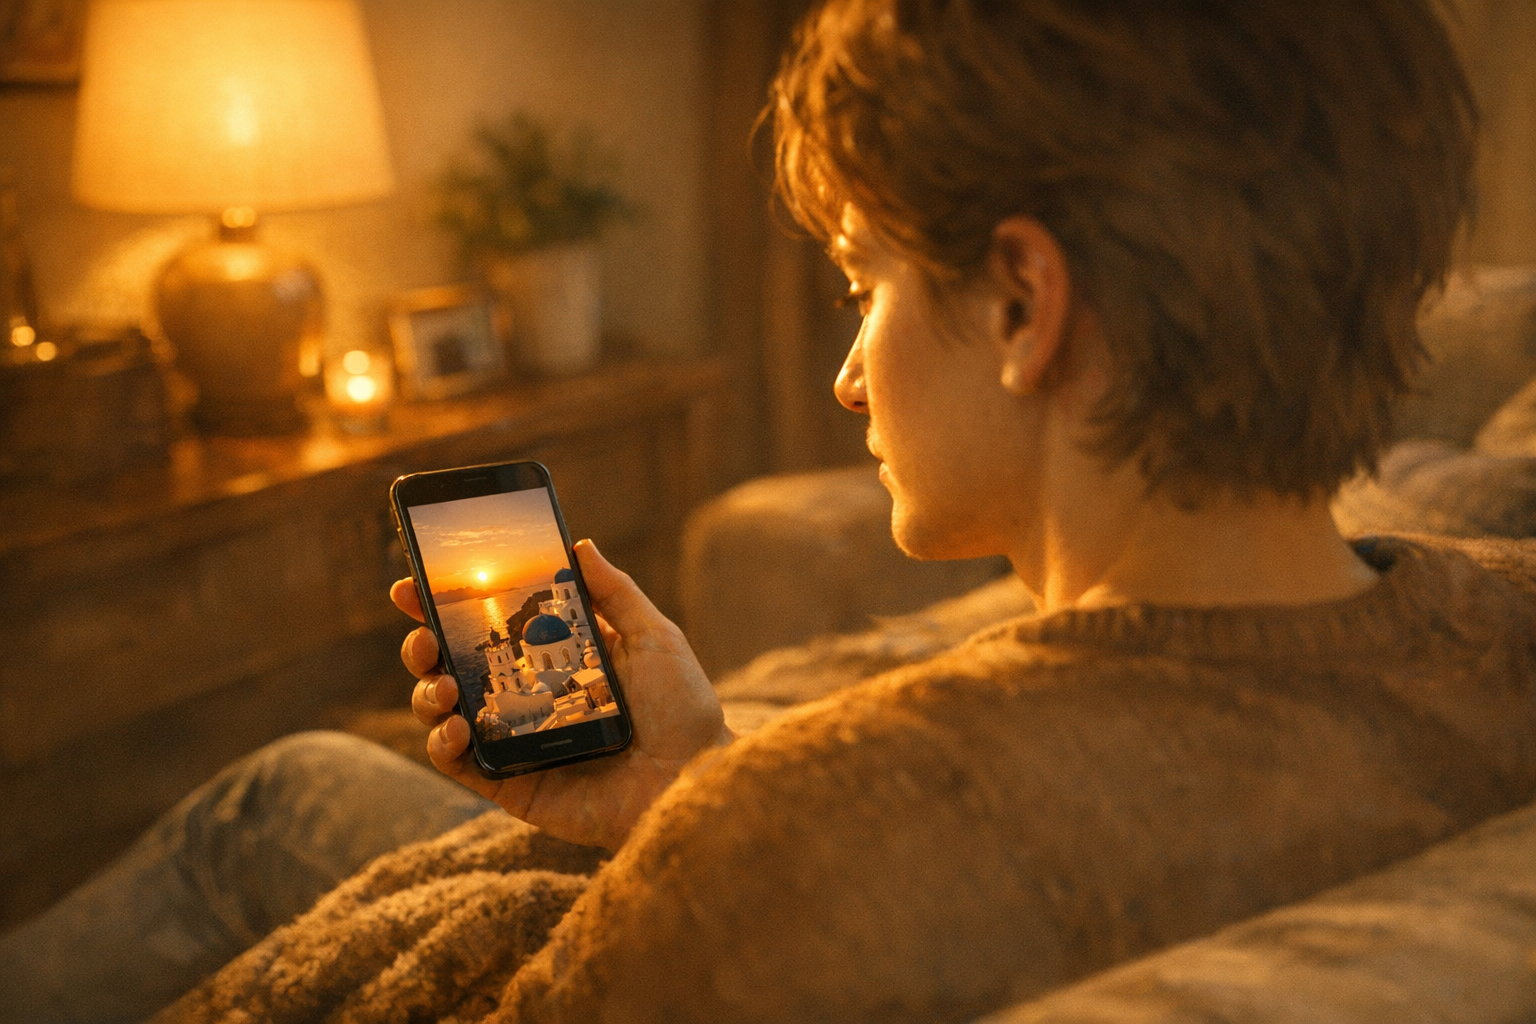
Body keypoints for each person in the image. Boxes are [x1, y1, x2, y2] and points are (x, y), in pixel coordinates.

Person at [6, 0, 1536, 1021]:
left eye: (866, 280)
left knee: (270, 799)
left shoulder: (817, 845)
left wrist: (730, 822)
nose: (851, 376)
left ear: (1021, 301)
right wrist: (693, 779)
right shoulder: (1503, 625)